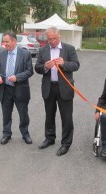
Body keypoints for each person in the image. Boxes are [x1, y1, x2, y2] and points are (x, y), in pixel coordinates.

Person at [35, 26, 80, 156]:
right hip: (49, 87)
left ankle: (66, 143)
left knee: (66, 117)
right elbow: (37, 68)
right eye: (49, 39)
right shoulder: (43, 50)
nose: (52, 41)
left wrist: (64, 64)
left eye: (54, 38)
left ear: (59, 36)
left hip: (65, 88)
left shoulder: (69, 49)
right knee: (49, 115)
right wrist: (45, 66)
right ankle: (49, 138)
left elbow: (76, 65)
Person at [0, 31, 33, 145]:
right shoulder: (1, 55)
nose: (4, 44)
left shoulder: (25, 54)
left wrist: (17, 77)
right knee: (6, 114)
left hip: (20, 89)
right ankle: (6, 134)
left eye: (7, 41)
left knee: (23, 114)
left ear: (14, 41)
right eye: (3, 41)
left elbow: (30, 71)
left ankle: (25, 134)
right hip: (5, 89)